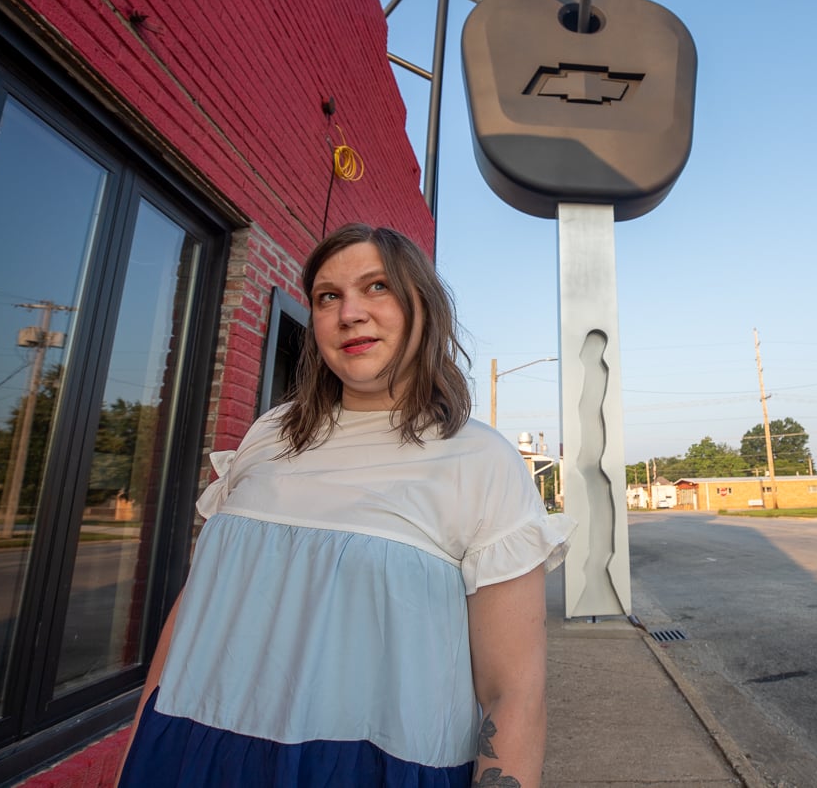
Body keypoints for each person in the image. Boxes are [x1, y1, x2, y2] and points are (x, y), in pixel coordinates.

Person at [117, 223, 574, 787]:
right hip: (193, 751)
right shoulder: (268, 435)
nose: (349, 312)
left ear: (422, 308)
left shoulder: (481, 460)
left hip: (371, 769)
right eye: (327, 296)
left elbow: (514, 692)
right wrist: (137, 747)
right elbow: (197, 608)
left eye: (376, 287)